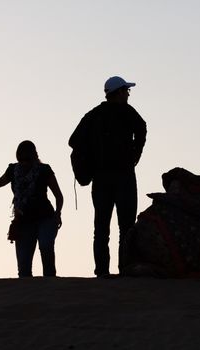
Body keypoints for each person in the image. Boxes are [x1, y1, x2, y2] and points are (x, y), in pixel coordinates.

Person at [69, 76, 147, 278]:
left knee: (101, 228)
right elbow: (142, 128)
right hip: (123, 177)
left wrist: (90, 159)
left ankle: (102, 271)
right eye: (126, 91)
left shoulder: (93, 115)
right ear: (119, 92)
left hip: (101, 178)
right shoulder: (126, 112)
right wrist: (135, 153)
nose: (128, 95)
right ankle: (124, 270)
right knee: (126, 227)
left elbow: (74, 141)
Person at [0, 140, 64, 278]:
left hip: (46, 218)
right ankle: (28, 296)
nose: (24, 162)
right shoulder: (13, 170)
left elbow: (59, 196)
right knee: (24, 267)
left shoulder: (44, 170)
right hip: (23, 221)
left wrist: (57, 214)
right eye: (22, 159)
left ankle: (50, 288)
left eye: (28, 159)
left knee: (46, 247)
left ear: (34, 157)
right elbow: (1, 182)